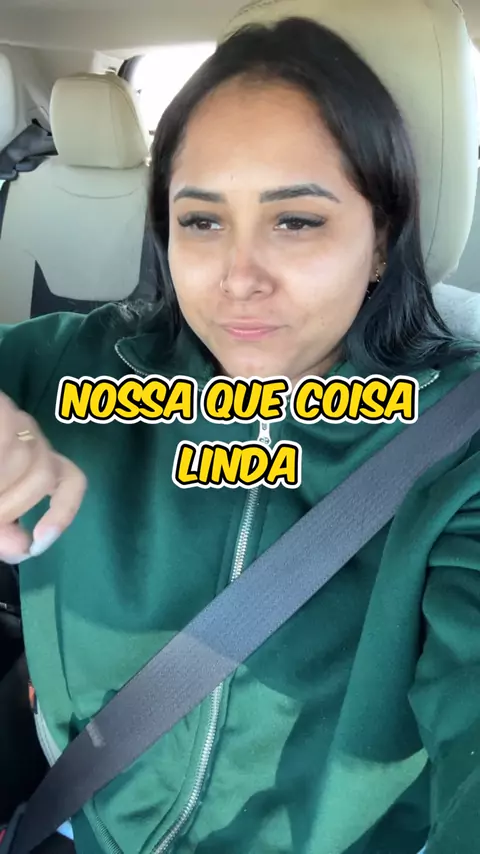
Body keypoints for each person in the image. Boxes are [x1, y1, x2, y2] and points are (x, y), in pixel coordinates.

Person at [0, 15, 479, 854]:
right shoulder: (67, 371)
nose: (239, 278)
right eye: (201, 221)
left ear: (380, 240)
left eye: (296, 221)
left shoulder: (459, 445)